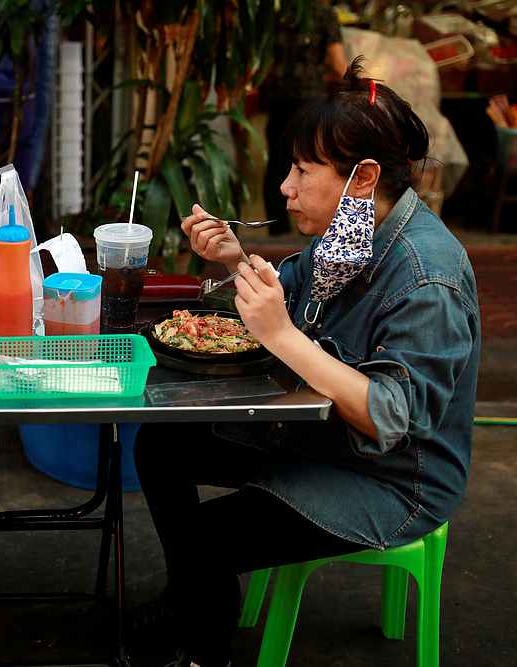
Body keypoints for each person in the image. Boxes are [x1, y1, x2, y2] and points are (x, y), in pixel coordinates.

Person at [132, 59, 480, 667]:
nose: (286, 187)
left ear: (363, 176)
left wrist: (287, 339)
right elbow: (288, 288)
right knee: (161, 446)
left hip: (394, 479)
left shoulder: (429, 278)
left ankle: (198, 636)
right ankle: (196, 606)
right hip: (322, 436)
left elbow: (389, 417)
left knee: (210, 540)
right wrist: (235, 260)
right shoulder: (352, 227)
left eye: (301, 170)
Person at [260, 2, 347, 235]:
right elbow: (338, 64)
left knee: (277, 163)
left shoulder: (275, 13)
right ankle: (309, 226)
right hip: (311, 102)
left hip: (278, 98)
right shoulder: (324, 14)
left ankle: (276, 231)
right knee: (310, 163)